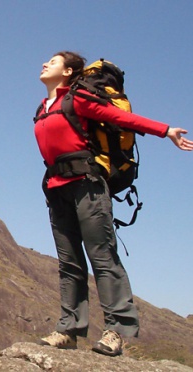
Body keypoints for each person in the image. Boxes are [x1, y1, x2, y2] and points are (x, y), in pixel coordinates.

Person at [33, 51, 193, 356]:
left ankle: (116, 331)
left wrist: (165, 130)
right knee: (69, 264)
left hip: (87, 186)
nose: (44, 64)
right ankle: (69, 330)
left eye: (52, 62)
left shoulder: (76, 100)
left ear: (67, 72)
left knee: (102, 257)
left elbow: (121, 118)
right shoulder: (42, 108)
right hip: (56, 189)